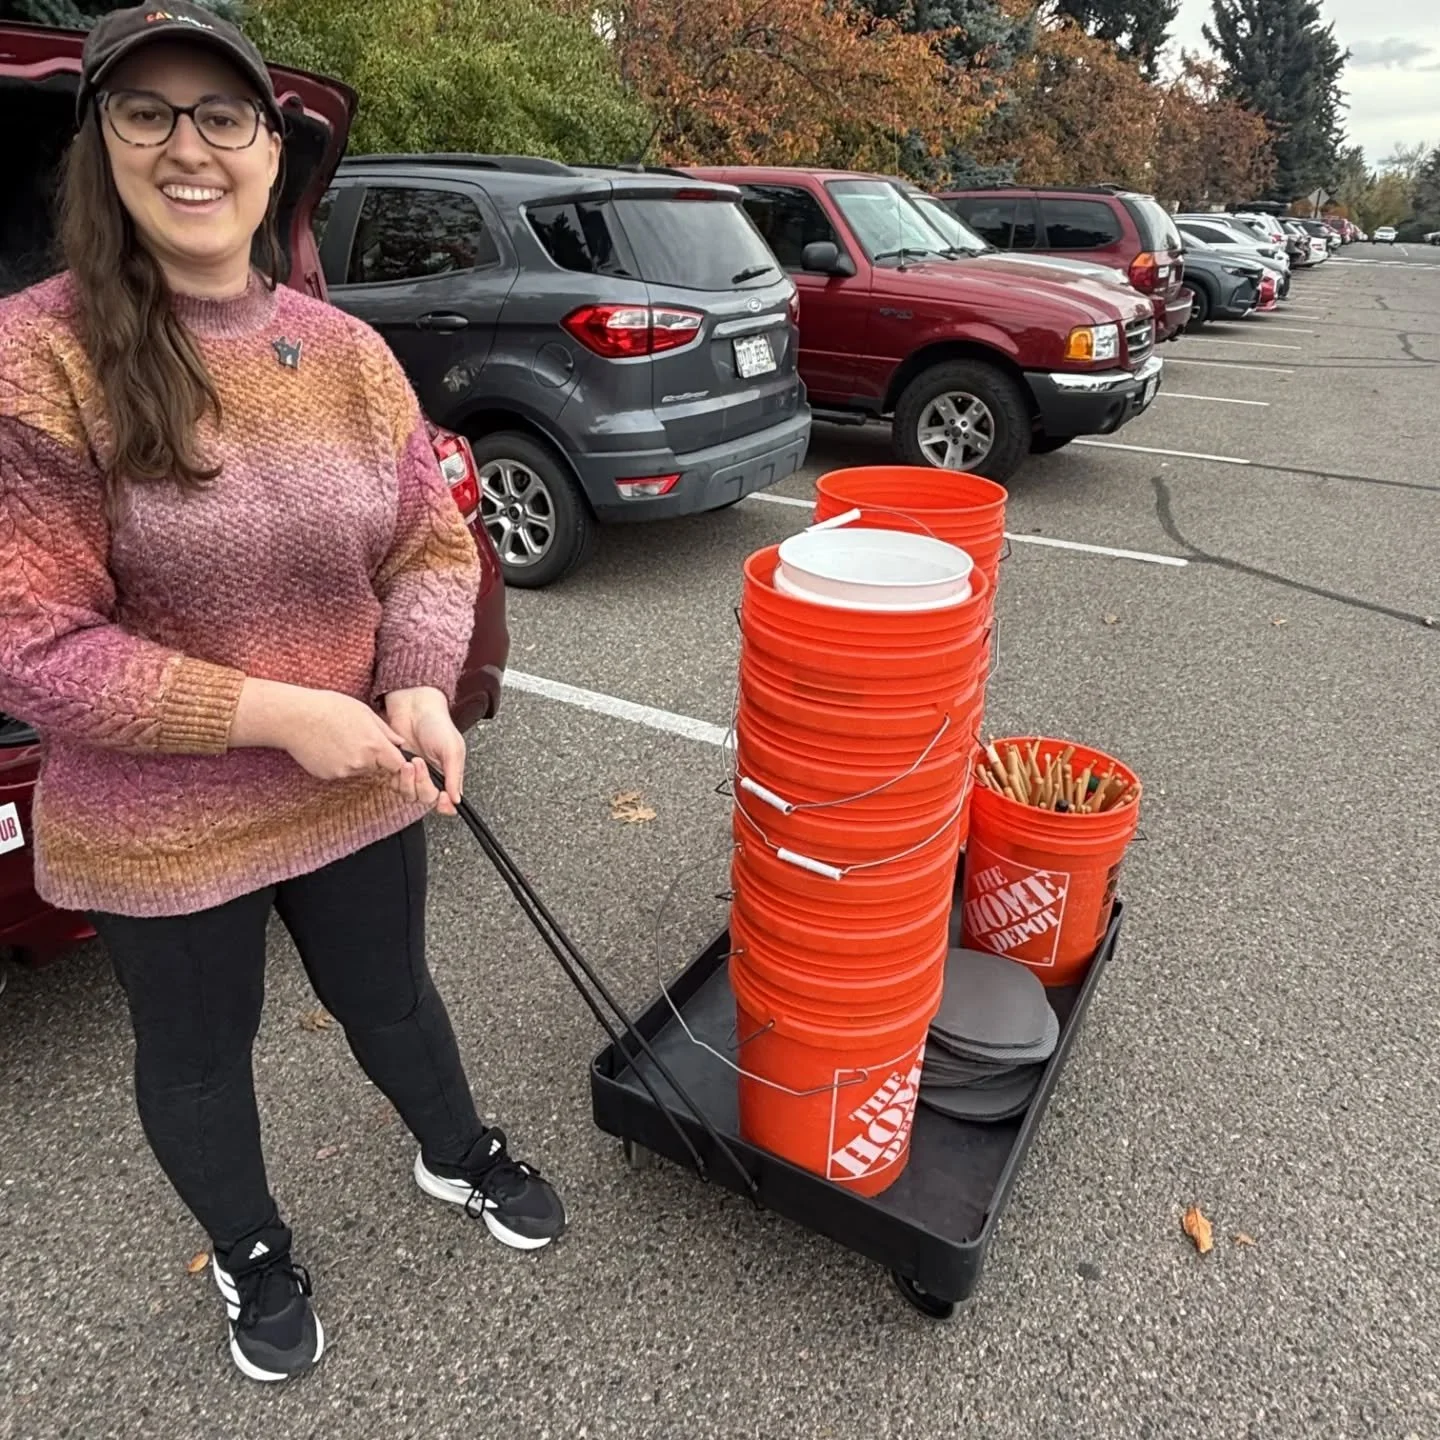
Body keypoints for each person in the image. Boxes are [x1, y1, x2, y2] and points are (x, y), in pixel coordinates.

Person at [0, 2, 565, 1384]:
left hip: (359, 780)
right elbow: (31, 642)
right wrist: (281, 715)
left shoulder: (347, 353)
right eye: (148, 112)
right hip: (162, 825)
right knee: (200, 1058)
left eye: (223, 116)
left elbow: (429, 540)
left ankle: (458, 1151)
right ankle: (249, 1250)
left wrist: (422, 688)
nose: (189, 146)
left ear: (269, 155)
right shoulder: (39, 355)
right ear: (101, 149)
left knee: (394, 1001)